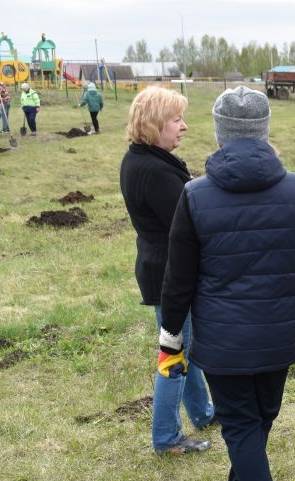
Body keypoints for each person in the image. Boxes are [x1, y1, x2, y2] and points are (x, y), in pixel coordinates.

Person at [157, 86, 295, 481]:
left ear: (219, 134)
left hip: (223, 341)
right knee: (254, 422)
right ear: (265, 129)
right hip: (278, 336)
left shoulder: (195, 196)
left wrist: (169, 336)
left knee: (243, 425)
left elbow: (178, 281)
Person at [120, 86, 215, 456]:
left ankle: (203, 413)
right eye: (176, 119)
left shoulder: (144, 159)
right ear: (155, 124)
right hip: (170, 277)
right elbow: (189, 225)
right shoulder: (154, 171)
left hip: (161, 270)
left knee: (183, 346)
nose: (184, 126)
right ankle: (166, 437)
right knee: (173, 353)